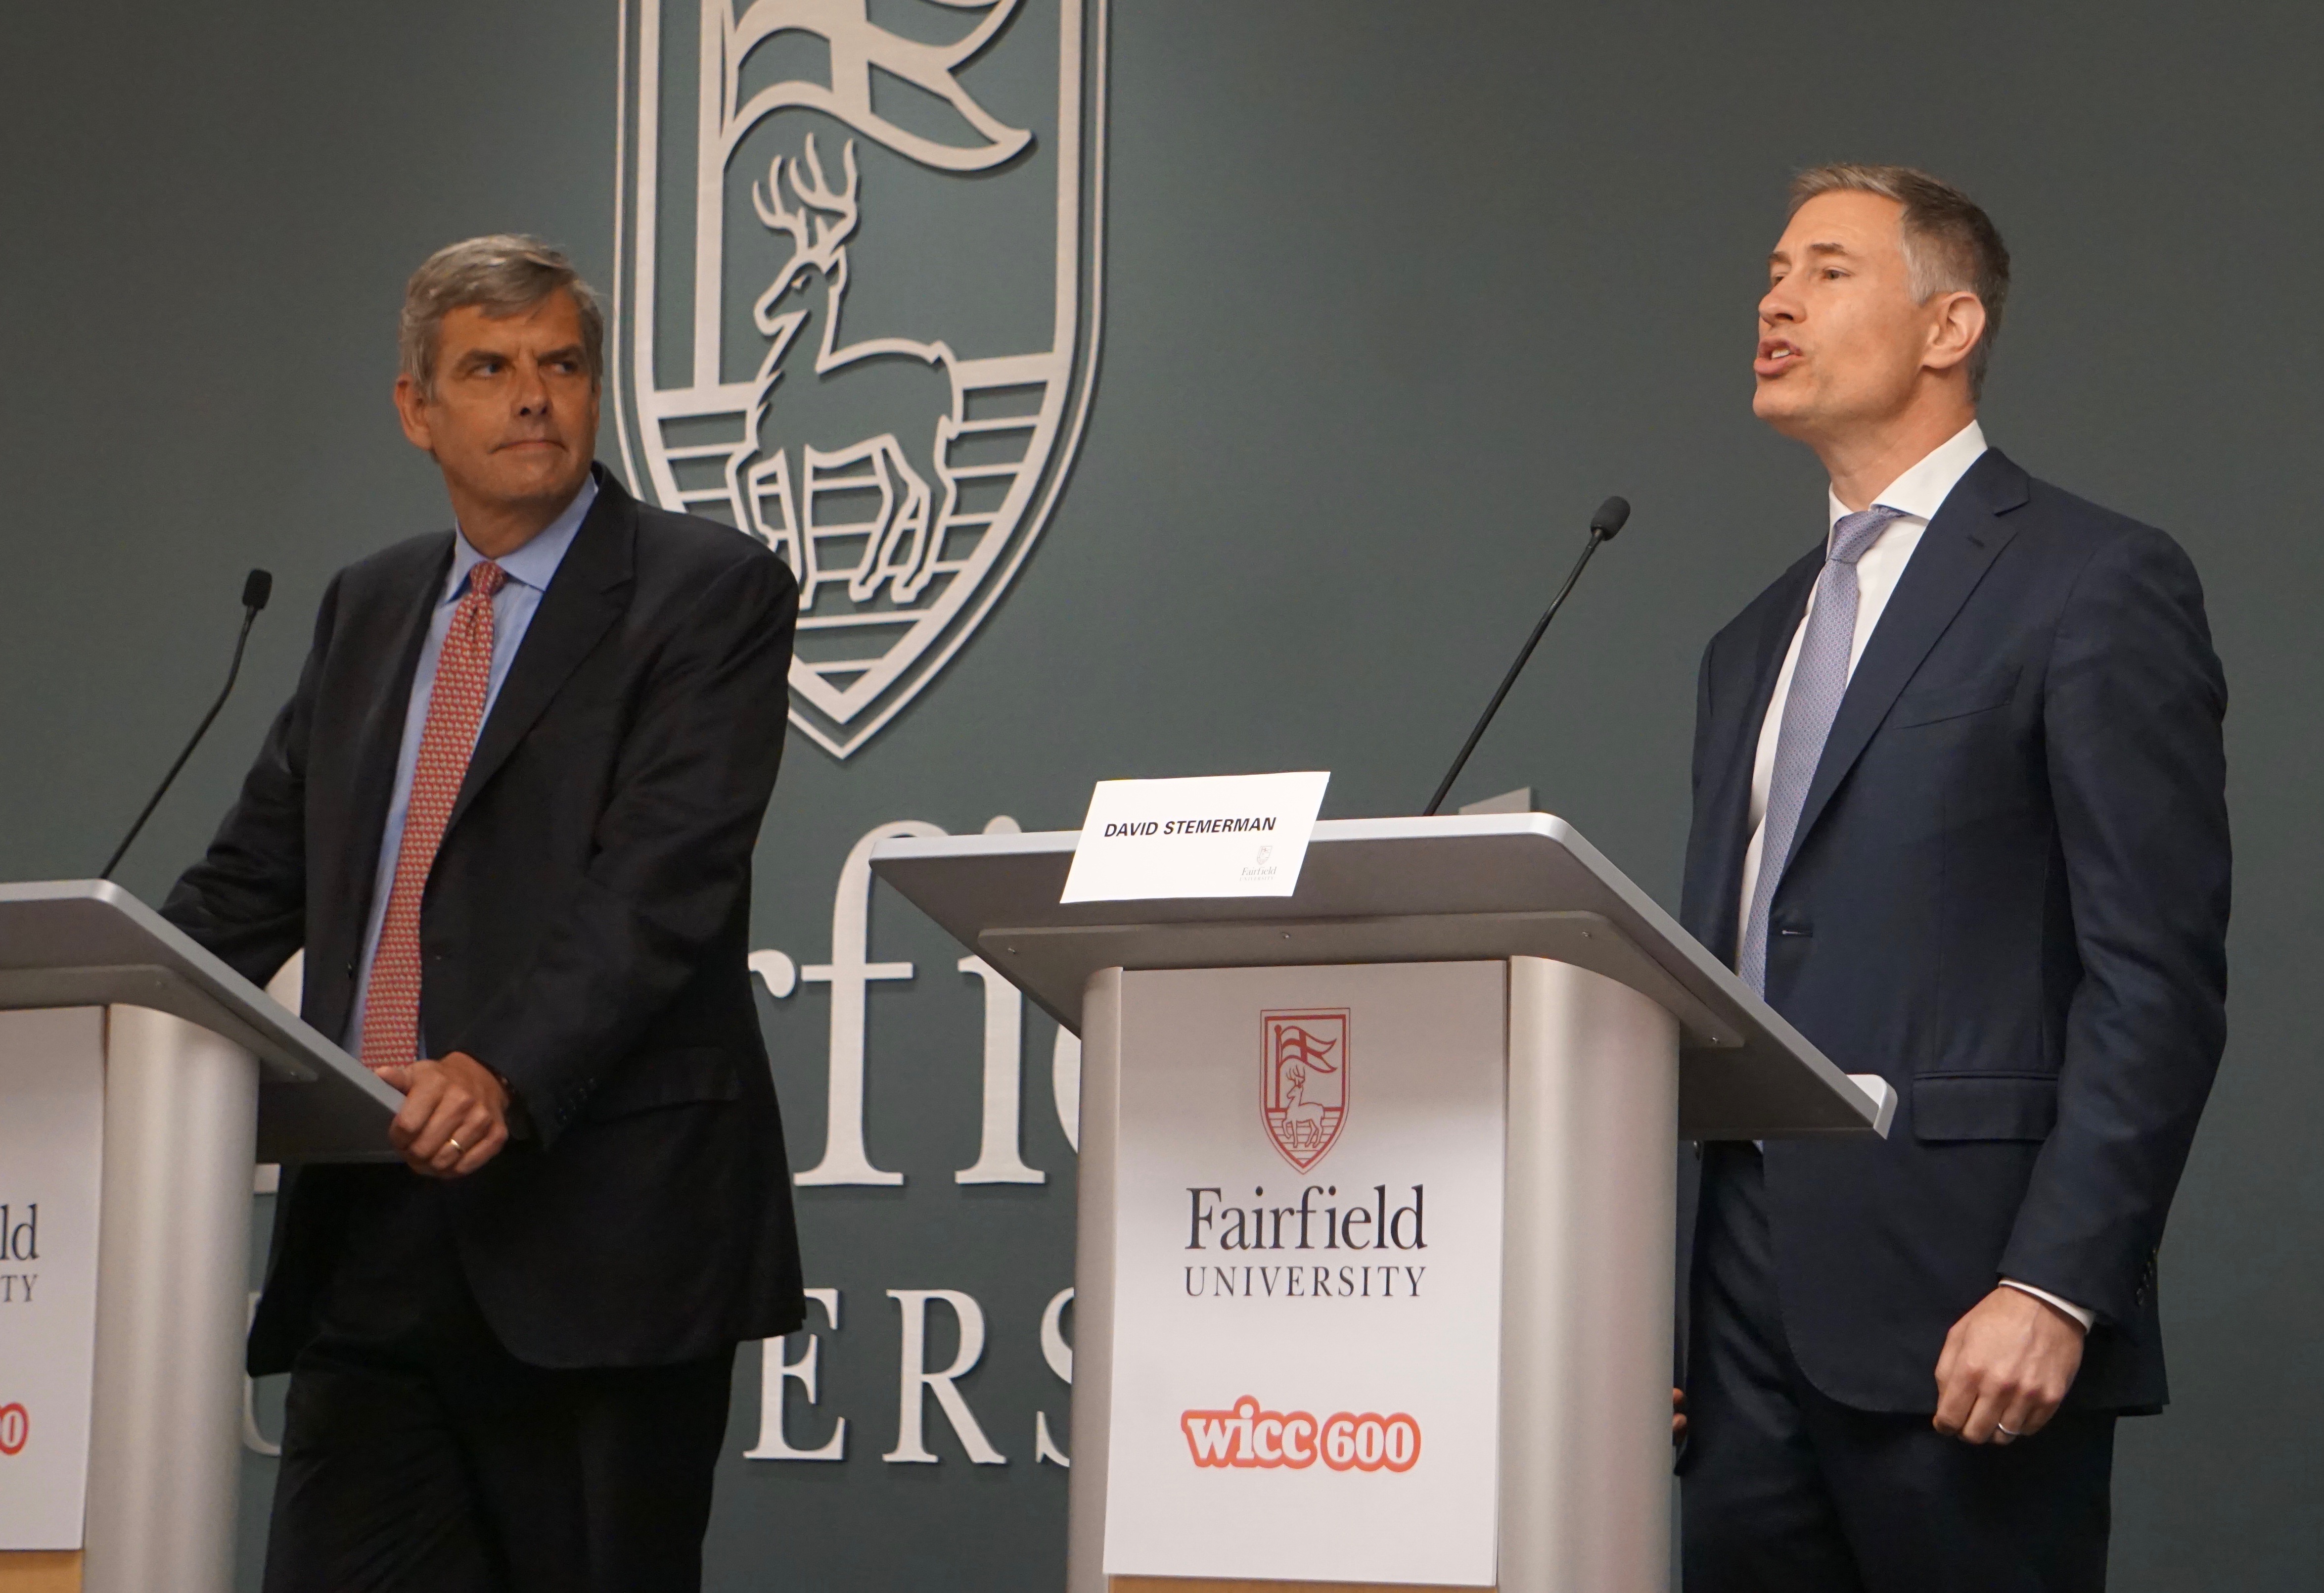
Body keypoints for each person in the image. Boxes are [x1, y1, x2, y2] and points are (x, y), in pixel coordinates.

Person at [162, 235, 805, 1593]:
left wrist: (500, 1068)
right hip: (370, 1219)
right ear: (416, 408)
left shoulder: (709, 591)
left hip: (596, 1235)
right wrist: (102, 1010)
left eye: (560, 365)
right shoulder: (368, 607)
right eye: (489, 368)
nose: (531, 396)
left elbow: (659, 885)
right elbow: (248, 885)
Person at [1672, 165, 2230, 1591]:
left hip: (1966, 1305)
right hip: (1734, 1335)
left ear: (1949, 326)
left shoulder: (2090, 580)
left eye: (1827, 270)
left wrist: (2056, 1283)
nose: (1775, 302)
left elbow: (2152, 978)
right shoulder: (1749, 642)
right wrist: (1664, 1316)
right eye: (1772, 272)